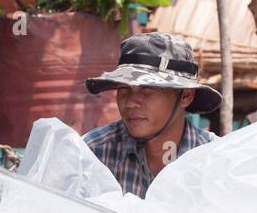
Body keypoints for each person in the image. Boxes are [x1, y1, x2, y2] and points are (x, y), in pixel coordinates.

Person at [83, 32, 221, 197]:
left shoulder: (214, 162)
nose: (131, 103)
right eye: (123, 89)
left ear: (185, 96)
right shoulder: (92, 154)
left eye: (147, 89)